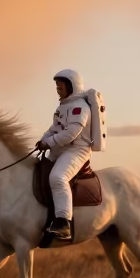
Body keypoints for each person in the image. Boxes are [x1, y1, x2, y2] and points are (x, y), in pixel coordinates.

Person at [35, 68, 92, 240]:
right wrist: (43, 140)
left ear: (72, 86)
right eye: (57, 87)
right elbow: (54, 129)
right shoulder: (63, 107)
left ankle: (63, 223)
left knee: (58, 177)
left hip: (77, 150)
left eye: (60, 87)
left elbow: (70, 134)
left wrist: (49, 143)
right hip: (60, 149)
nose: (58, 90)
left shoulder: (80, 108)